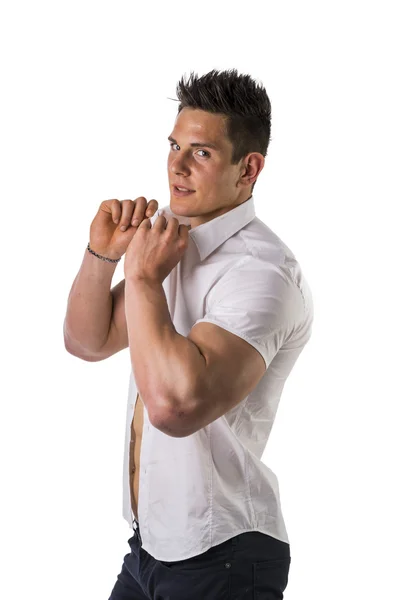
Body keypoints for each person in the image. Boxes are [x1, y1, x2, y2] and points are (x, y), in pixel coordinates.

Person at [64, 68, 314, 599]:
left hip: (222, 557)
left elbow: (175, 408)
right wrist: (104, 255)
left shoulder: (261, 274)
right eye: (174, 146)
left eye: (200, 152)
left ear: (248, 168)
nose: (175, 166)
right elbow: (86, 342)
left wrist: (141, 277)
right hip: (149, 550)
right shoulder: (171, 246)